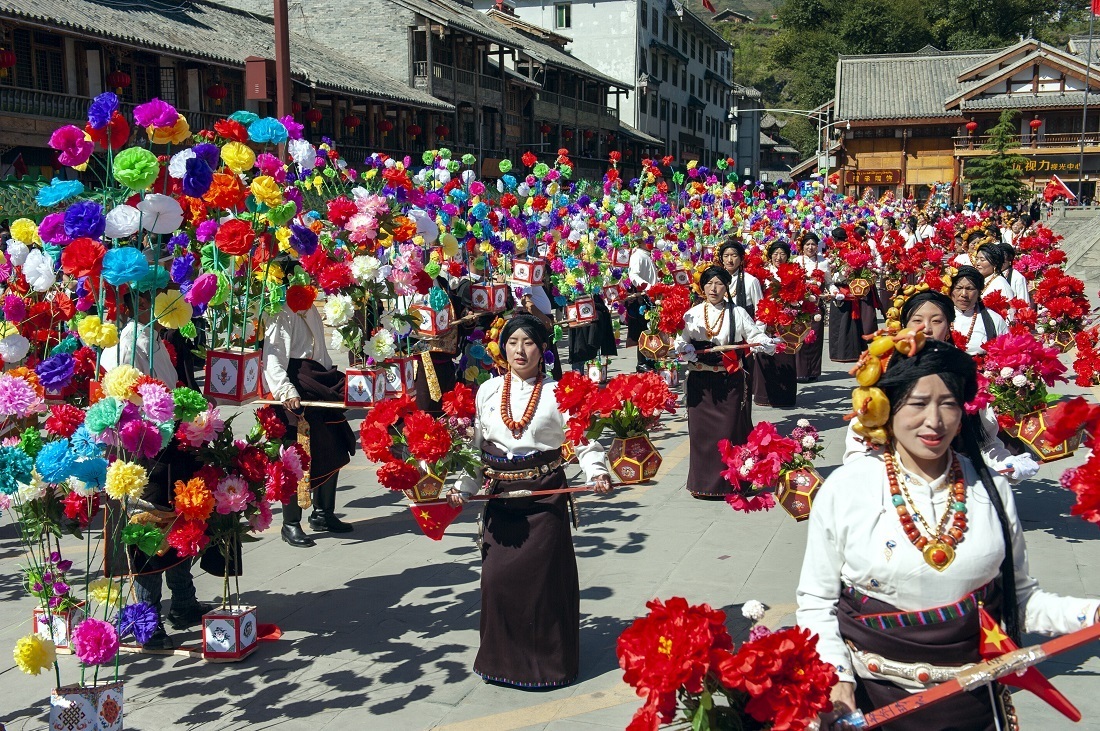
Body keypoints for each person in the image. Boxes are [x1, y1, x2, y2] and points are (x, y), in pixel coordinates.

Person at [798, 339, 1099, 730]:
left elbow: (1021, 600)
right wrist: (838, 679)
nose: (934, 421)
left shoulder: (990, 487)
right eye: (919, 403)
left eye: (949, 404)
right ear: (885, 408)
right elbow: (817, 602)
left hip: (973, 707)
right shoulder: (846, 488)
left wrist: (1091, 613)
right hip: (875, 706)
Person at [447, 314, 612, 688]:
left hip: (545, 497)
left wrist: (596, 471)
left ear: (543, 349)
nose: (520, 351)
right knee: (497, 581)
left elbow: (582, 439)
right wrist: (464, 488)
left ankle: (549, 667)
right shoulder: (487, 391)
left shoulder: (559, 393)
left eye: (529, 343)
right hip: (500, 500)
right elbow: (475, 451)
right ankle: (500, 663)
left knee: (543, 588)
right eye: (512, 343)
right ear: (502, 348)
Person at [101, 288, 211, 650]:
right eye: (153, 298)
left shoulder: (158, 340)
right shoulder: (123, 347)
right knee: (148, 530)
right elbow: (126, 406)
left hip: (171, 443)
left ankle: (183, 600)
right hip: (144, 450)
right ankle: (149, 621)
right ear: (141, 304)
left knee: (179, 520)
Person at [842, 290, 1038, 482]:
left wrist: (1008, 463)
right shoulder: (884, 375)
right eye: (917, 321)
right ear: (904, 326)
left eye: (936, 321)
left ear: (948, 329)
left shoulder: (964, 375)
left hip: (958, 484)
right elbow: (858, 445)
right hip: (894, 484)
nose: (926, 328)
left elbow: (985, 442)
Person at [263, 282, 357, 547]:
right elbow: (274, 355)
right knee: (295, 457)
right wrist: (286, 390)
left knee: (334, 447)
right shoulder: (281, 309)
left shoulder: (309, 305)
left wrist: (333, 384)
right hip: (298, 385)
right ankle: (291, 523)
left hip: (318, 382)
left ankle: (323, 513)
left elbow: (321, 350)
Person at [675, 267, 775, 499]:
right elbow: (680, 341)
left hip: (729, 380)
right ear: (703, 287)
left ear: (726, 287)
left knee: (728, 433)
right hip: (701, 382)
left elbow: (754, 335)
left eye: (719, 283)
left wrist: (764, 342)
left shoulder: (737, 312)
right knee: (701, 435)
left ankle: (731, 483)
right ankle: (703, 484)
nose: (714, 288)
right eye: (709, 283)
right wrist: (685, 349)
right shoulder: (693, 313)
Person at [754, 241, 797, 407]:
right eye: (775, 254)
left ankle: (784, 397)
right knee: (765, 354)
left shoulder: (793, 272)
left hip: (785, 319)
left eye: (782, 254)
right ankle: (764, 396)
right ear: (770, 255)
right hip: (765, 318)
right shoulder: (763, 274)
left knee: (785, 354)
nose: (779, 257)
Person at [828, 228, 879, 363]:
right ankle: (852, 351)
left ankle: (844, 353)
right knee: (849, 321)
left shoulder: (842, 252)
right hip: (844, 288)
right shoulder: (845, 250)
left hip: (843, 288)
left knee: (843, 321)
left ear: (834, 239)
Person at [791, 232, 828, 382]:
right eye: (807, 244)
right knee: (800, 337)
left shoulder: (824, 262)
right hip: (800, 306)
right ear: (802, 246)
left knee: (815, 338)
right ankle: (800, 372)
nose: (810, 247)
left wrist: (833, 291)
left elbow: (829, 282)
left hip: (817, 306)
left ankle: (813, 371)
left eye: (813, 244)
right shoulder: (797, 261)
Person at [950, 266, 1008, 355]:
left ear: (979, 292)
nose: (964, 294)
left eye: (970, 289)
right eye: (959, 288)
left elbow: (1006, 351)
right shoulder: (940, 317)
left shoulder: (994, 319)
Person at [627, 238, 658, 371]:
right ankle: (642, 362)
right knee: (643, 330)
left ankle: (650, 359)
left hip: (652, 296)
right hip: (643, 298)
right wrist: (647, 287)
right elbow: (633, 275)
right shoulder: (637, 256)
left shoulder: (649, 255)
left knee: (652, 329)